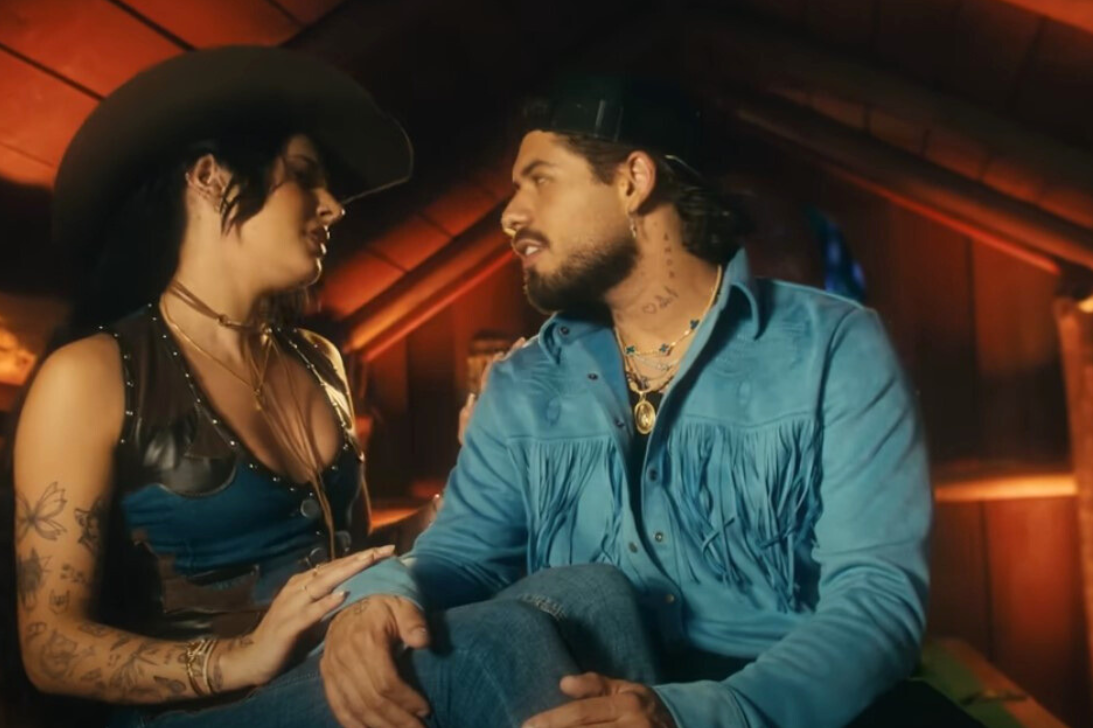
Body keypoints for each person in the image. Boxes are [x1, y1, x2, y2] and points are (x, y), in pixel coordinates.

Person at [0, 47, 660, 728]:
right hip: (203, 710)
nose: (334, 207)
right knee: (496, 641)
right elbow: (49, 646)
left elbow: (348, 559)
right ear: (211, 178)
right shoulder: (91, 374)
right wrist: (244, 657)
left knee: (596, 596)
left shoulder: (319, 361)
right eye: (305, 176)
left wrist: (463, 492)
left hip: (324, 666)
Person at [320, 77, 940, 728]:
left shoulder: (833, 345)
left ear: (633, 180)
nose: (510, 215)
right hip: (573, 696)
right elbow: (460, 559)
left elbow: (877, 598)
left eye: (539, 180)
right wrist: (374, 597)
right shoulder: (520, 384)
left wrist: (699, 714)